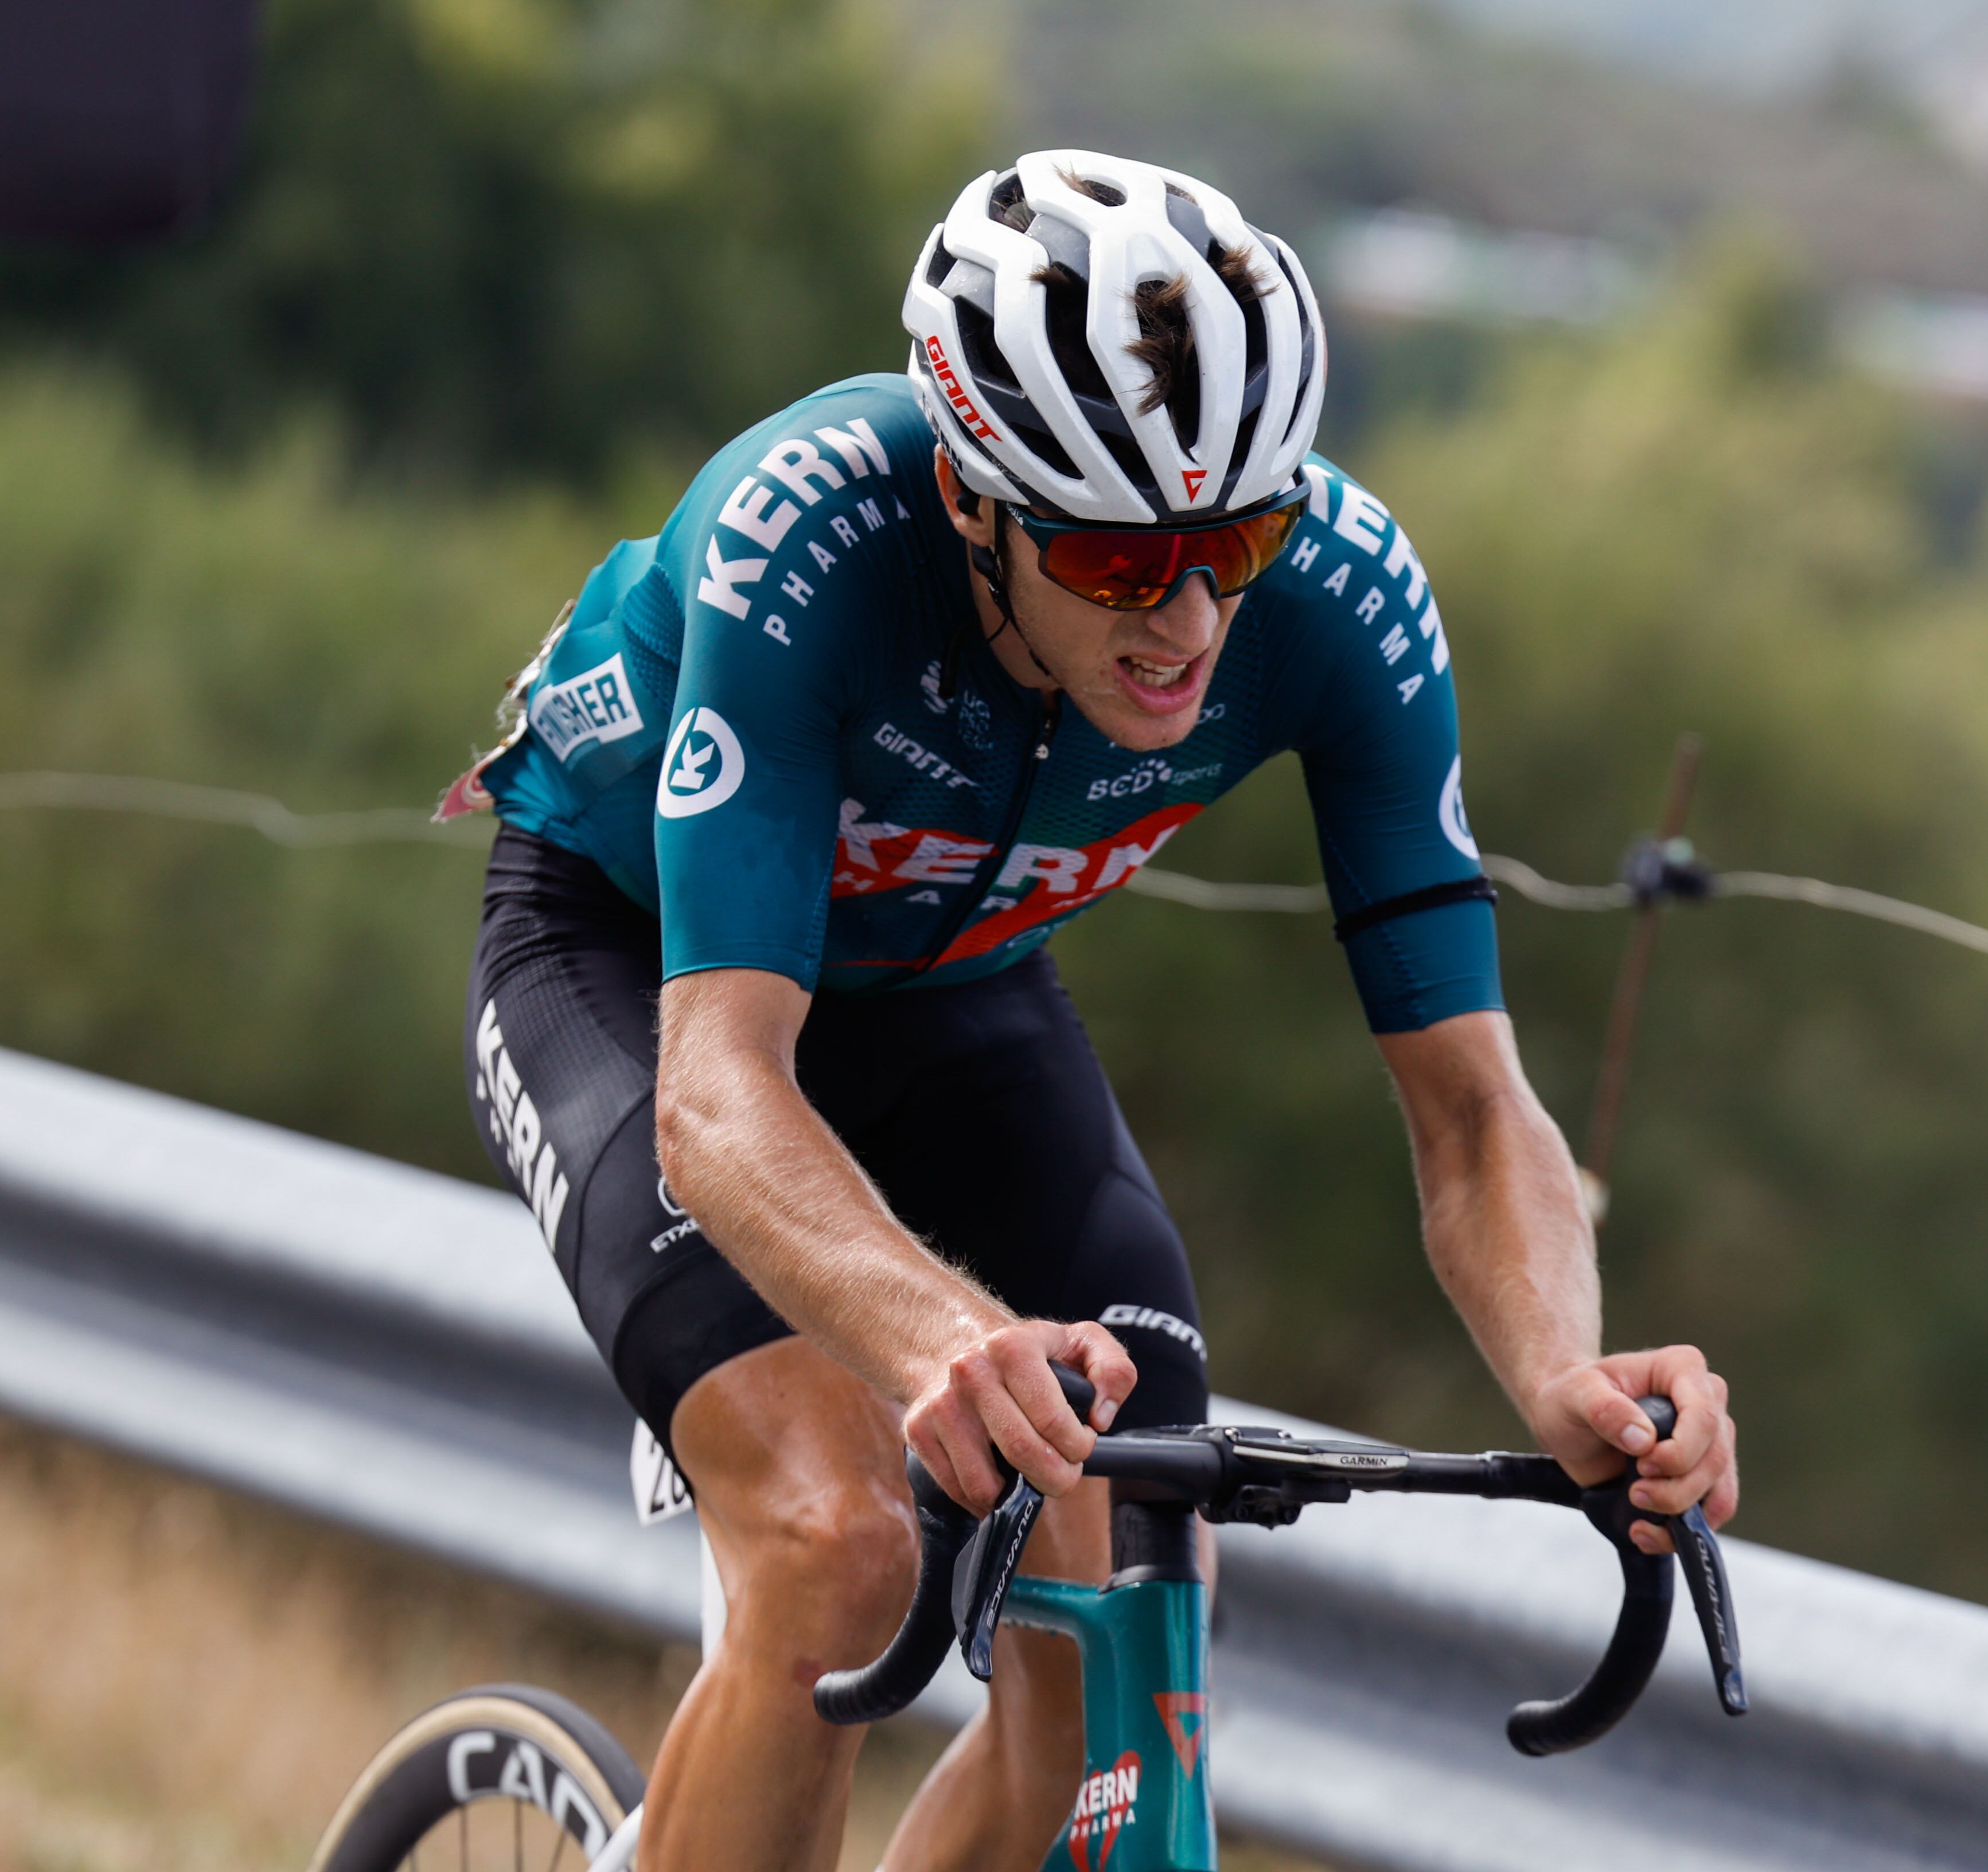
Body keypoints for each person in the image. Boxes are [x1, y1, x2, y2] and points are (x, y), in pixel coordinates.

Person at [447, 149, 1738, 1872]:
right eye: (1124, 563)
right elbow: (718, 1093)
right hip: (638, 962)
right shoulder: (807, 534)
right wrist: (933, 1341)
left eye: (1236, 543)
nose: (1190, 621)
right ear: (978, 502)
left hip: (958, 995)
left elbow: (1473, 1108)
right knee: (842, 1544)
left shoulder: (1345, 606)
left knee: (1129, 1619)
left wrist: (1564, 1371)